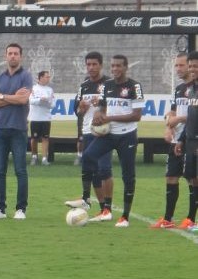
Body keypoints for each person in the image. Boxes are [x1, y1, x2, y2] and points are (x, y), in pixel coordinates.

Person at [82, 54, 145, 228]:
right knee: (88, 157)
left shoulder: (135, 86)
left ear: (126, 67)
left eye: (119, 66)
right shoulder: (106, 85)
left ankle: (125, 216)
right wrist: (98, 115)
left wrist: (108, 117)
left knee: (128, 176)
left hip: (127, 136)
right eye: (113, 66)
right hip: (108, 135)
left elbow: (136, 116)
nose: (115, 69)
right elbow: (102, 108)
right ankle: (101, 205)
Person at [65, 51, 115, 222]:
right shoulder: (84, 86)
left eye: (94, 64)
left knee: (104, 169)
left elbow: (117, 107)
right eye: (88, 64)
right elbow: (77, 111)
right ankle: (99, 207)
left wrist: (101, 104)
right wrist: (82, 107)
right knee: (92, 171)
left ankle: (107, 208)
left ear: (101, 65)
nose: (91, 67)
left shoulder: (110, 84)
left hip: (104, 132)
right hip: (87, 132)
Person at [0, 43, 33, 220]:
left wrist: (2, 96)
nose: (12, 56)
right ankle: (0, 209)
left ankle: (21, 209)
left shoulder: (26, 77)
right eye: (10, 53)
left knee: (20, 170)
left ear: (20, 56)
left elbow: (23, 100)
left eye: (16, 53)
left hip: (19, 130)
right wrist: (11, 97)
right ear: (5, 56)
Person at [151, 53, 194, 229]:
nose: (178, 69)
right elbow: (172, 112)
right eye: (176, 66)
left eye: (181, 65)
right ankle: (168, 219)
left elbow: (194, 115)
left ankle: (190, 219)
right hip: (176, 139)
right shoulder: (178, 89)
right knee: (171, 177)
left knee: (193, 178)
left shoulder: (196, 88)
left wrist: (179, 120)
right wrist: (168, 127)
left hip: (192, 139)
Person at [174, 51, 198, 231]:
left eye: (195, 66)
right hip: (190, 141)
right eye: (191, 66)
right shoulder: (191, 89)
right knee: (192, 178)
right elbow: (190, 118)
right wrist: (181, 139)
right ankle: (191, 218)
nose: (193, 69)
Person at [28, 70, 55, 166]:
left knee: (45, 138)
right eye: (47, 77)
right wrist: (40, 100)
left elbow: (53, 104)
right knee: (34, 138)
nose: (48, 78)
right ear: (41, 78)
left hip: (46, 118)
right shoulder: (34, 88)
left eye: (48, 77)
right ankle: (34, 157)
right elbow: (31, 100)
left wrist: (47, 103)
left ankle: (44, 158)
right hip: (35, 117)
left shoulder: (50, 90)